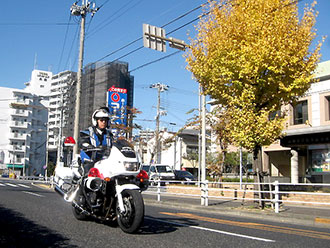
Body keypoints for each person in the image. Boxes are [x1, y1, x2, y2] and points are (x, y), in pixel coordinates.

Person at [79, 107, 113, 175]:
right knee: (89, 175)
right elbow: (83, 142)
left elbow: (114, 146)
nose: (104, 122)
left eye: (105, 120)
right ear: (96, 121)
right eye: (101, 120)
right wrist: (89, 146)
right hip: (89, 160)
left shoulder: (109, 135)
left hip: (104, 161)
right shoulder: (88, 132)